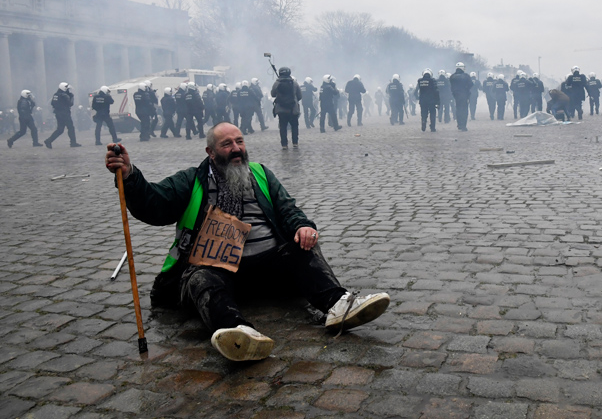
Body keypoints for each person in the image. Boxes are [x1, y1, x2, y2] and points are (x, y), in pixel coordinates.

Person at [104, 123, 390, 361]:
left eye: (239, 141)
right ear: (211, 152)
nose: (236, 149)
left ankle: (338, 305)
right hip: (217, 268)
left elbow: (287, 208)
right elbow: (154, 204)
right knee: (199, 277)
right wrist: (129, 175)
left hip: (269, 267)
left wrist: (303, 226)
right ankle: (236, 331)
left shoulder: (261, 174)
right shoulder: (191, 180)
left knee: (303, 246)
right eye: (227, 144)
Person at [271, 67, 303, 149]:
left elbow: (273, 94)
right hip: (293, 108)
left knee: (283, 127)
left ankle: (284, 144)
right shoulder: (294, 83)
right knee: (294, 126)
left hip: (281, 109)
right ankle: (295, 142)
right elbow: (299, 96)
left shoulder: (277, 83)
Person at [44, 82, 81, 148]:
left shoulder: (56, 94)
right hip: (65, 113)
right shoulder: (64, 95)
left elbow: (52, 103)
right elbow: (70, 104)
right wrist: (71, 96)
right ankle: (73, 143)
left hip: (58, 113)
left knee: (60, 129)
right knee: (71, 128)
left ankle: (49, 141)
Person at [450, 62, 473, 131]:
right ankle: (463, 125)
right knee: (464, 110)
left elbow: (451, 86)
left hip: (456, 95)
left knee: (458, 109)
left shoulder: (452, 76)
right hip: (464, 95)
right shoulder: (466, 76)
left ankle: (459, 124)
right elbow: (471, 84)